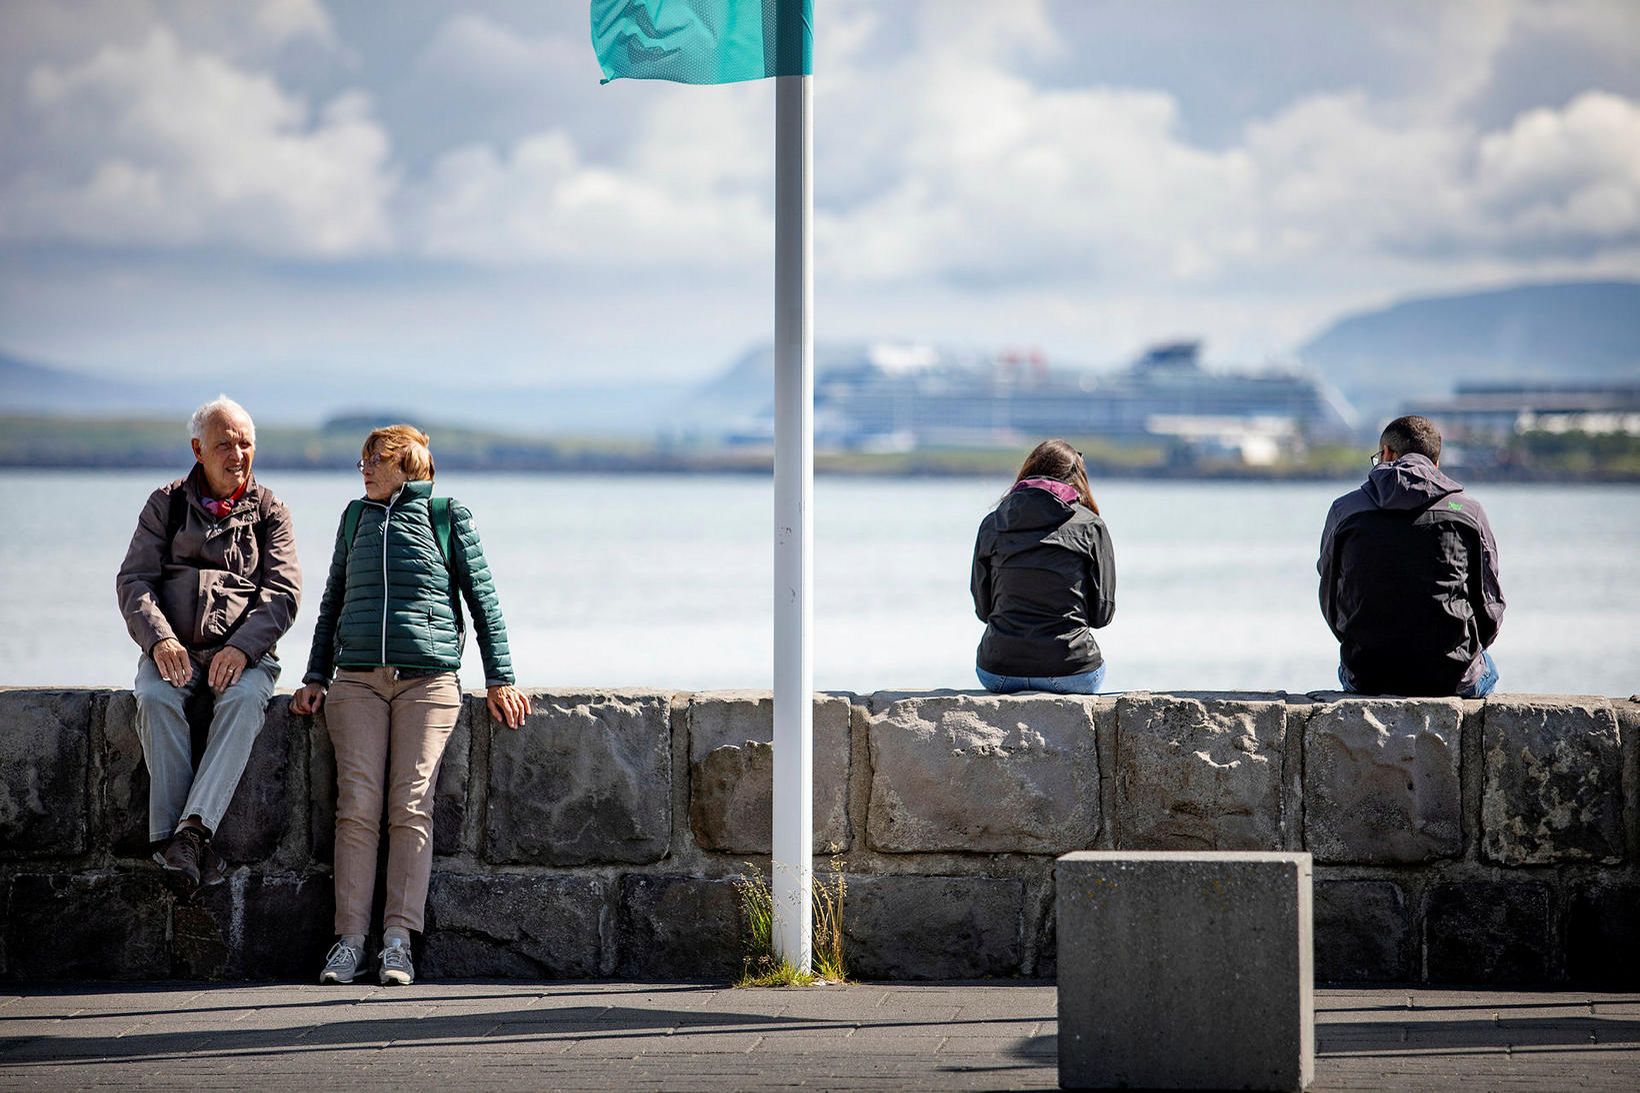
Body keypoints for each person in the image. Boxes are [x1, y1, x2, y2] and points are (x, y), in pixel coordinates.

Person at [292, 424, 528, 987]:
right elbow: (333, 600)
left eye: (374, 459)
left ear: (407, 464)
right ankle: (348, 942)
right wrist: (315, 674)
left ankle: (397, 942)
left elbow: (483, 601)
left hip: (428, 683)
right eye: (362, 461)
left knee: (411, 805)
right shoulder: (354, 518)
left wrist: (501, 679)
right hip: (356, 684)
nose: (364, 469)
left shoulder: (448, 516)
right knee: (357, 806)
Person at [116, 396, 301, 896]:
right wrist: (160, 641)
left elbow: (283, 594)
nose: (237, 454)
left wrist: (241, 648)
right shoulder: (166, 503)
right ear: (198, 449)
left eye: (245, 444)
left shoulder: (270, 511)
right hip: (172, 648)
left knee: (243, 703)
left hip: (244, 655)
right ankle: (182, 845)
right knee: (155, 698)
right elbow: (134, 582)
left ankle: (187, 835)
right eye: (225, 444)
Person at [1318, 415, 1505, 697]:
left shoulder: (1346, 510)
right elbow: (1490, 604)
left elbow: (1331, 598)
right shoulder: (1468, 511)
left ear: (1387, 453)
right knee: (1488, 668)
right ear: (1435, 463)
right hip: (1450, 676)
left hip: (1368, 673)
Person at [971, 438, 1116, 694]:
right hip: (1071, 671)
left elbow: (984, 610)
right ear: (1078, 480)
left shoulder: (993, 523)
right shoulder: (1091, 526)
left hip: (999, 671)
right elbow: (1101, 616)